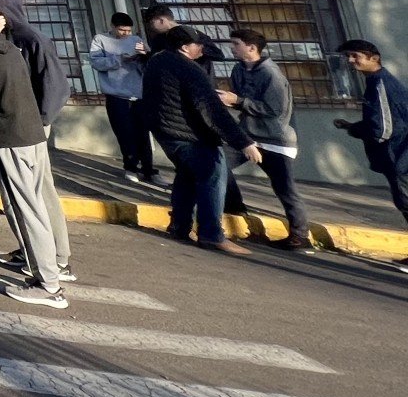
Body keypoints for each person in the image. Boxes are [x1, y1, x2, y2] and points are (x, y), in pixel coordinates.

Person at [0, 2, 70, 306]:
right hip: (31, 133)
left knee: (27, 209)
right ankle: (47, 272)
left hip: (10, 137)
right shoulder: (9, 49)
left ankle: (48, 284)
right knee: (35, 204)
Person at [142, 26, 260, 255]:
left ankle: (180, 225)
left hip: (166, 132)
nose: (202, 48)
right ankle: (211, 234)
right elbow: (211, 110)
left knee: (187, 176)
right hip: (190, 135)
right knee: (213, 175)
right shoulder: (189, 69)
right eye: (198, 44)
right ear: (185, 47)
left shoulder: (157, 62)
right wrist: (244, 142)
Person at [0, 0, 73, 281]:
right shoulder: (5, 39)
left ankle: (56, 258)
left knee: (35, 192)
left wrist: (40, 121)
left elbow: (55, 86)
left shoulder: (32, 39)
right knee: (17, 193)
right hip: (11, 125)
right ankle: (32, 249)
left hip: (28, 127)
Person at [218, 28, 314, 253]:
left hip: (275, 140)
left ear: (251, 47)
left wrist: (239, 101)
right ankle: (235, 208)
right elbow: (242, 100)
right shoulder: (238, 69)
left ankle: (300, 237)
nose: (232, 48)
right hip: (248, 135)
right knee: (218, 163)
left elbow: (274, 109)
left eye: (236, 44)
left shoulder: (272, 74)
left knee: (285, 189)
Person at [333, 40, 408, 250]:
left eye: (355, 56)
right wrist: (352, 126)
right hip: (397, 154)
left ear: (373, 59)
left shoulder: (380, 83)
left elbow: (383, 129)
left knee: (405, 201)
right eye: (349, 56)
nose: (351, 60)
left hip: (399, 154)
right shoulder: (375, 82)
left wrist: (358, 130)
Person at [88, 12, 155, 184]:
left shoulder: (136, 40)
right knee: (124, 133)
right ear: (112, 26)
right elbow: (96, 62)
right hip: (116, 94)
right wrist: (119, 59)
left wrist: (144, 56)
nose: (125, 34)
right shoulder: (100, 39)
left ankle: (149, 169)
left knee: (143, 133)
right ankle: (130, 167)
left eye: (128, 30)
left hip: (138, 93)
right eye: (121, 30)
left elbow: (149, 64)